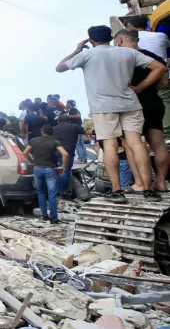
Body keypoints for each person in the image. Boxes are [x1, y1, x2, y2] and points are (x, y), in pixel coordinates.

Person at [56, 25, 166, 203]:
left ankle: (117, 191)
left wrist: (77, 50)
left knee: (110, 145)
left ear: (90, 40)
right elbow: (160, 68)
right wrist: (139, 88)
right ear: (112, 37)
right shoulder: (128, 53)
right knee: (137, 143)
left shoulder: (86, 54)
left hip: (103, 106)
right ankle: (148, 189)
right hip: (130, 103)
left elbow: (60, 67)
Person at [115, 29, 170, 192]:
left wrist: (138, 88)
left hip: (131, 106)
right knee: (159, 144)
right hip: (153, 102)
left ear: (121, 41)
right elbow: (164, 84)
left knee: (131, 144)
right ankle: (160, 182)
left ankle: (139, 182)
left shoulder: (121, 59)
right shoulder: (155, 58)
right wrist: (149, 87)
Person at [126, 15, 170, 139]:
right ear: (147, 25)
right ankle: (166, 133)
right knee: (165, 101)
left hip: (136, 80)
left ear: (130, 26)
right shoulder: (161, 36)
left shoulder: (127, 43)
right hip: (159, 77)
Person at [22, 125, 68, 224]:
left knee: (41, 192)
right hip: (50, 169)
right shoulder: (55, 142)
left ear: (42, 131)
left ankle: (44, 215)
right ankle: (54, 218)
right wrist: (63, 167)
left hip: (37, 169)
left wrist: (32, 161)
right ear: (52, 133)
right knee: (52, 194)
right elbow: (65, 154)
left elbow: (25, 152)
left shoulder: (33, 141)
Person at [52, 115, 85, 197]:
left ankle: (54, 192)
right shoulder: (74, 127)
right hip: (68, 152)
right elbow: (85, 131)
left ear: (58, 121)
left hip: (55, 151)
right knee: (64, 171)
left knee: (54, 172)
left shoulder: (53, 128)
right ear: (69, 121)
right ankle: (63, 192)